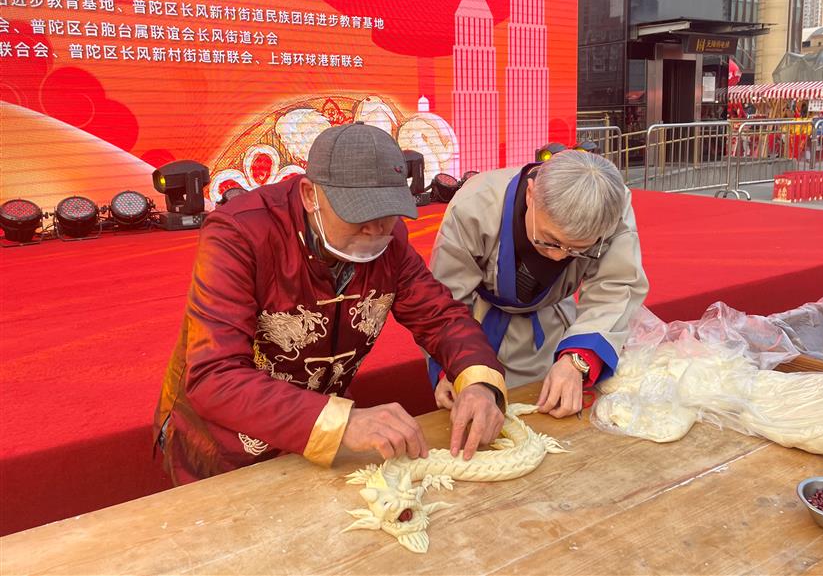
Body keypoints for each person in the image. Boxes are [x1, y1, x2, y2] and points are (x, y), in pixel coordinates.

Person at [154, 123, 507, 485]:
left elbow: (441, 317)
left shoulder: (390, 239)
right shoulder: (241, 233)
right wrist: (344, 421)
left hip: (321, 429)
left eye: (388, 214)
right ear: (310, 195)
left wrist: (478, 381)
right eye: (358, 215)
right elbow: (214, 377)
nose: (375, 231)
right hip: (225, 446)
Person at [429, 149, 648, 418]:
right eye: (549, 240)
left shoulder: (611, 205)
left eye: (577, 250)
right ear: (531, 194)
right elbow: (444, 301)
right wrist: (457, 365)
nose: (558, 256)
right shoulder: (476, 204)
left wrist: (577, 359)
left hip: (554, 321)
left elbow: (616, 285)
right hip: (478, 329)